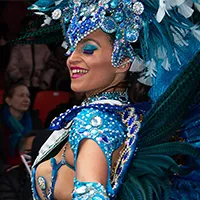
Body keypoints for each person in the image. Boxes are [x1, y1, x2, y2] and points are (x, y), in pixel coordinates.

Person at [20, 0, 200, 199]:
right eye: (71, 49)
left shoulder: (94, 120)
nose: (71, 59)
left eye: (88, 49)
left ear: (122, 62)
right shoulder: (124, 118)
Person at [0, 129, 52, 200]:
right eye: (31, 151)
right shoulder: (10, 179)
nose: (36, 156)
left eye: (40, 151)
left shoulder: (58, 175)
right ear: (21, 153)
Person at [0, 82, 42, 169]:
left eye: (28, 96)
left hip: (27, 169)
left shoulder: (35, 120)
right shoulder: (2, 122)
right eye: (21, 95)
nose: (26, 99)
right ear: (8, 100)